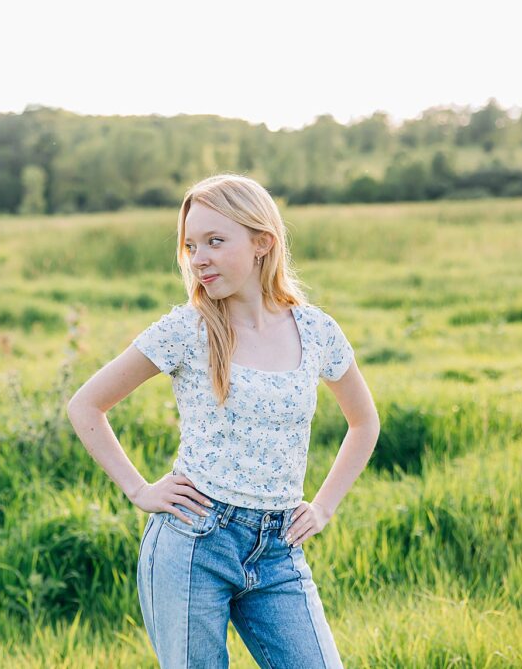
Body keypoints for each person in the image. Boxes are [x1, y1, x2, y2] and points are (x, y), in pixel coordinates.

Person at [66, 173, 379, 668]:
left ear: (262, 242)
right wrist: (139, 490)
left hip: (278, 550)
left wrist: (323, 507)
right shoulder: (186, 329)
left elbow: (364, 423)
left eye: (215, 241)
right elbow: (86, 405)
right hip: (193, 543)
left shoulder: (316, 329)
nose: (200, 258)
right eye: (191, 245)